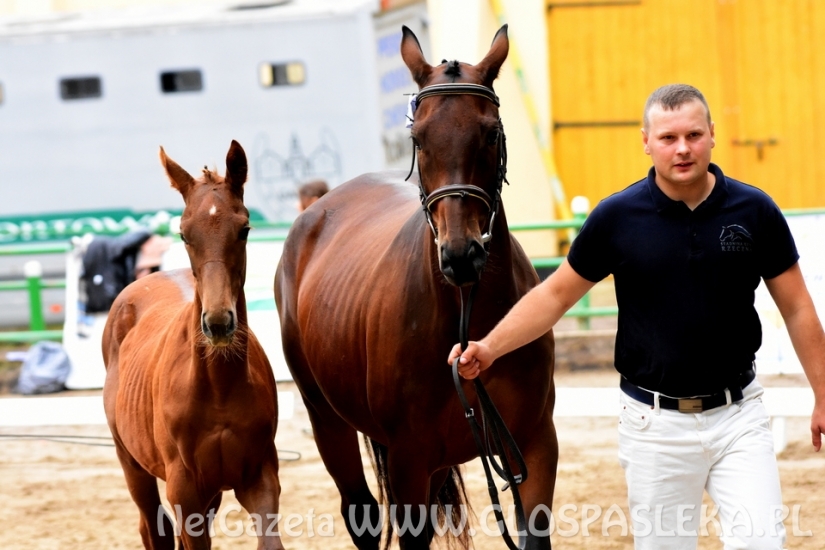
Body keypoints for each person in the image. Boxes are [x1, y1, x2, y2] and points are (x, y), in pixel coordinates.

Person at [449, 84, 825, 549]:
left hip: (739, 417)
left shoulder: (755, 211)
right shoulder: (616, 218)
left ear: (712, 134)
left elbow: (798, 307)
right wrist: (488, 347)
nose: (682, 148)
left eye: (693, 134)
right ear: (646, 141)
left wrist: (823, 394)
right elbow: (555, 297)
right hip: (654, 426)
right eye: (668, 138)